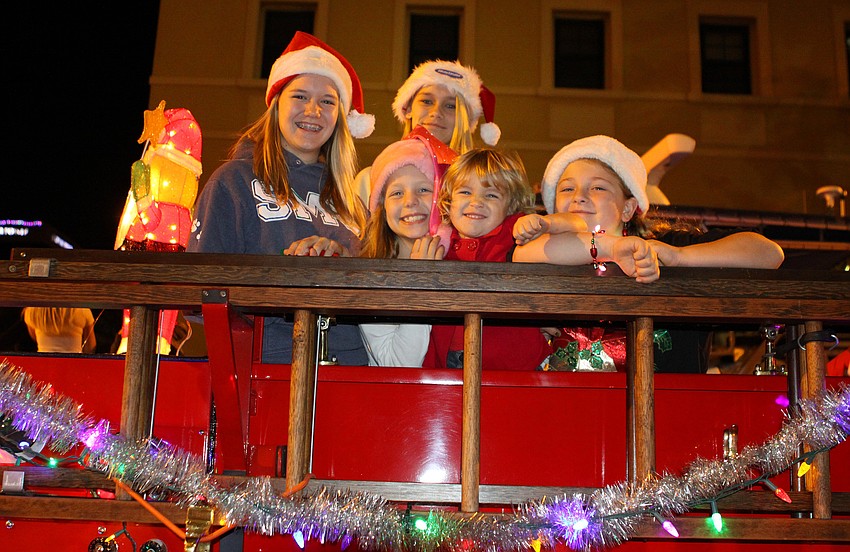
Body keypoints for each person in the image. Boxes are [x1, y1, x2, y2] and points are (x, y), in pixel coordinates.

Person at [188, 31, 374, 365]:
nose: (313, 110)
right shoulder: (234, 181)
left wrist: (344, 260)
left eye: (328, 101)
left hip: (353, 367)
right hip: (267, 366)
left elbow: (379, 296)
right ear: (276, 106)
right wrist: (287, 268)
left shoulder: (353, 203)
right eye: (300, 96)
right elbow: (200, 293)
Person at [530, 135, 785, 372]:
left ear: (628, 208)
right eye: (567, 189)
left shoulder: (663, 248)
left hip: (668, 404)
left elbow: (768, 253)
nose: (579, 197)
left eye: (597, 188)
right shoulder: (543, 260)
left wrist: (679, 258)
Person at [423, 148, 660, 371]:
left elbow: (571, 228)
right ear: (448, 202)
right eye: (465, 192)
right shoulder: (440, 245)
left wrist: (607, 246)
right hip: (443, 366)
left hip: (514, 369)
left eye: (491, 194)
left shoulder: (514, 233)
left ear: (510, 206)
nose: (476, 201)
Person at [359, 127, 457, 366]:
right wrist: (421, 281)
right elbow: (398, 365)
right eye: (396, 193)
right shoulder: (370, 277)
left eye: (424, 190)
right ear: (382, 208)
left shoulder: (463, 262)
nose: (410, 201)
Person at [354, 59, 500, 209]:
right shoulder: (369, 181)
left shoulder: (485, 185)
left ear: (466, 120)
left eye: (451, 106)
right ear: (408, 109)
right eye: (427, 101)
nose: (436, 112)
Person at [22, 307, 96, 353]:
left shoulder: (31, 311)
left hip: (44, 363)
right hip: (73, 364)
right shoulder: (82, 310)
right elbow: (90, 346)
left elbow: (33, 336)